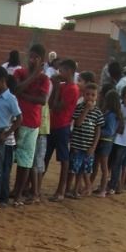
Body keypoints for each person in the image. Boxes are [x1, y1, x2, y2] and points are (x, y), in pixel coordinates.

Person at [10, 43, 51, 205]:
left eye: (36, 58)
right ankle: (9, 190)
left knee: (25, 161)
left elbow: (42, 100)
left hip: (33, 124)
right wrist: (33, 76)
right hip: (16, 121)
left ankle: (18, 193)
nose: (32, 60)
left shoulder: (45, 79)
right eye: (31, 57)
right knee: (9, 158)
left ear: (42, 60)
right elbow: (16, 89)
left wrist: (24, 95)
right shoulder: (19, 72)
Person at [0, 66, 22, 210]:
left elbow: (19, 118)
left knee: (0, 169)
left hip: (4, 138)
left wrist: (6, 134)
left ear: (2, 80)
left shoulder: (10, 98)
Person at [46, 58, 79, 201]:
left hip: (62, 126)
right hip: (53, 125)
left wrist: (56, 87)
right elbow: (51, 104)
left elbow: (57, 106)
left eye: (62, 71)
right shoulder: (63, 86)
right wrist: (56, 87)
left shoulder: (72, 88)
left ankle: (61, 190)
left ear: (69, 71)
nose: (59, 73)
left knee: (64, 159)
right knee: (45, 156)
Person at [66, 81, 103, 198]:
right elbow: (77, 123)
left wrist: (93, 147)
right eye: (87, 94)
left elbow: (98, 131)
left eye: (93, 95)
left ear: (97, 97)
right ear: (83, 95)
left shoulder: (98, 112)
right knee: (73, 169)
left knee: (82, 170)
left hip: (88, 147)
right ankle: (68, 189)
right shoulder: (79, 108)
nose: (90, 97)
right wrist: (86, 110)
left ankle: (76, 190)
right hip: (77, 145)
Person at [108, 85, 126, 195]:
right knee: (111, 161)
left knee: (117, 162)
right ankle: (110, 182)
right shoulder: (119, 107)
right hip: (115, 137)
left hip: (124, 140)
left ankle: (113, 185)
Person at [92, 88, 120, 196]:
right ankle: (93, 186)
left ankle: (103, 189)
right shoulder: (111, 113)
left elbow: (110, 131)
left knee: (103, 166)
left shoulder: (111, 115)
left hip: (105, 142)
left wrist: (98, 131)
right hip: (104, 141)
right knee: (97, 165)